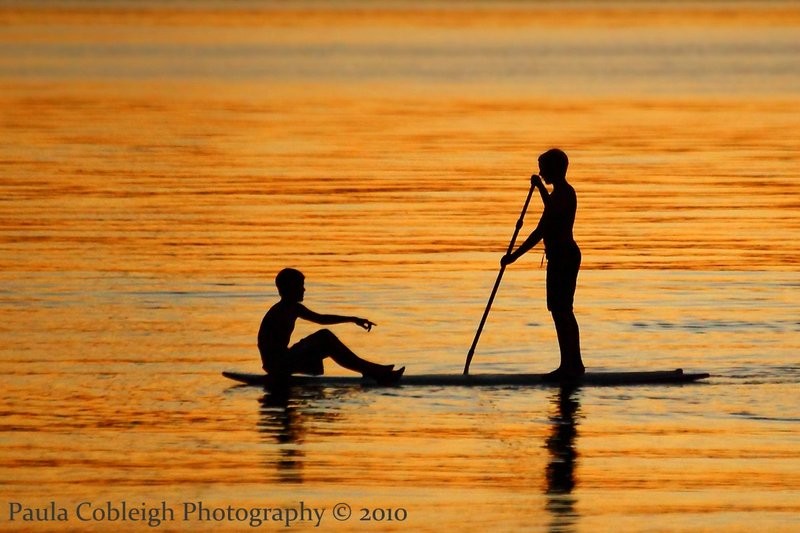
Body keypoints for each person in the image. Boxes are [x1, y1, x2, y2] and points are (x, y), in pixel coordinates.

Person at [501, 148, 585, 380]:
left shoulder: (566, 193)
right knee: (558, 310)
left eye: (543, 168)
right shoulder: (558, 195)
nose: (541, 173)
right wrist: (514, 257)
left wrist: (515, 256)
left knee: (562, 310)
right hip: (558, 257)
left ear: (555, 170)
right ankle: (569, 364)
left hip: (565, 256)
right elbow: (543, 225)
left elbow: (546, 225)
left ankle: (573, 365)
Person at [258, 268, 404, 384]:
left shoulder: (291, 308)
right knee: (325, 337)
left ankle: (372, 370)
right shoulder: (282, 310)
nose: (304, 290)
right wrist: (276, 369)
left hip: (281, 361)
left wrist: (353, 319)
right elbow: (266, 345)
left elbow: (321, 318)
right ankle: (374, 372)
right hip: (278, 364)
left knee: (324, 338)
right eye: (300, 286)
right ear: (290, 288)